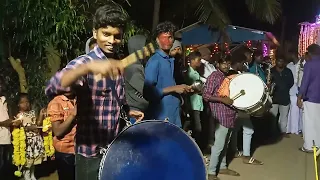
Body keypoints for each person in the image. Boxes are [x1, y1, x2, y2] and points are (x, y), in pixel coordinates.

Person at [45, 3, 144, 180]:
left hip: (113, 149)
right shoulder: (84, 63)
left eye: (117, 36)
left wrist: (127, 111)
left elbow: (114, 100)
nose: (112, 41)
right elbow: (54, 86)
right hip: (91, 153)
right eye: (106, 34)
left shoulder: (118, 64)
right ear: (95, 33)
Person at [144, 21, 192, 127]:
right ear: (157, 40)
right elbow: (148, 92)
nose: (167, 40)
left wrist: (183, 88)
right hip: (161, 117)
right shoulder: (155, 61)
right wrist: (173, 88)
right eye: (163, 37)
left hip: (174, 115)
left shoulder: (171, 60)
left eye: (170, 37)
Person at [203, 56, 239, 180]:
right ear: (218, 64)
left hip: (229, 114)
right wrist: (222, 100)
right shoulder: (214, 76)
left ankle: (223, 167)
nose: (226, 66)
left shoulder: (226, 76)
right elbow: (206, 95)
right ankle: (211, 172)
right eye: (223, 63)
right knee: (219, 144)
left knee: (225, 144)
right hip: (220, 115)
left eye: (228, 63)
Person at [14, 93, 46, 180]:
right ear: (18, 104)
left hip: (35, 140)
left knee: (33, 159)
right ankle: (26, 174)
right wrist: (29, 127)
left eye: (27, 102)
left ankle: (32, 174)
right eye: (23, 102)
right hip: (27, 141)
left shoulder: (32, 113)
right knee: (28, 160)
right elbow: (21, 128)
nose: (26, 104)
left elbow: (37, 124)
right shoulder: (19, 116)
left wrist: (41, 115)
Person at [47, 91, 77, 180]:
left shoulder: (81, 99)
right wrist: (72, 115)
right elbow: (57, 132)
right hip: (65, 153)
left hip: (82, 151)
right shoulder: (56, 103)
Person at [297, 44, 320, 152]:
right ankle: (318, 145)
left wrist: (299, 97)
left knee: (309, 122)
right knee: (318, 122)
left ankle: (309, 146)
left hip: (311, 98)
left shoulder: (309, 64)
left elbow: (305, 82)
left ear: (310, 53)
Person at [124, 35, 149, 123]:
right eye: (145, 48)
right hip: (136, 113)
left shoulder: (137, 66)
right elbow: (146, 90)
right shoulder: (133, 68)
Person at [269, 57, 294, 137]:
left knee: (284, 116)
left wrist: (284, 88)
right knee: (273, 116)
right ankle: (272, 132)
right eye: (279, 61)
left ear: (284, 62)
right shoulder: (271, 71)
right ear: (276, 61)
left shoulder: (288, 71)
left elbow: (291, 83)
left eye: (282, 61)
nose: (280, 63)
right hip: (274, 98)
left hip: (284, 97)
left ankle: (283, 132)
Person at [185, 51, 203, 145]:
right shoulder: (189, 73)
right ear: (192, 60)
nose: (200, 62)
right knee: (197, 128)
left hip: (198, 103)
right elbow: (187, 88)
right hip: (192, 104)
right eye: (198, 60)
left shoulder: (196, 72)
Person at [286, 51, 303, 135]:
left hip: (301, 91)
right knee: (293, 111)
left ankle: (298, 129)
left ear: (293, 55)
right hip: (292, 91)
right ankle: (293, 130)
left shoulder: (302, 64)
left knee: (299, 112)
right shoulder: (289, 65)